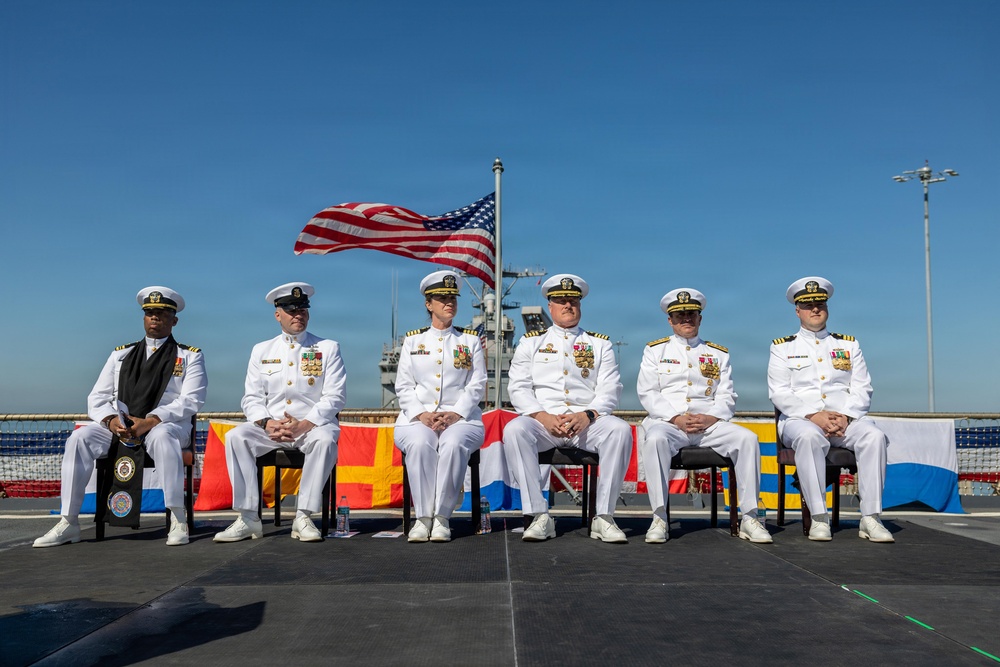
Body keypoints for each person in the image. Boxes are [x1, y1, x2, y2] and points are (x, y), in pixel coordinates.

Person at [34, 287, 207, 547]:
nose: (155, 318)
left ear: (175, 320)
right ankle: (68, 522)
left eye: (162, 313)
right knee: (79, 438)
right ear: (143, 317)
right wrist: (110, 421)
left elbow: (192, 400)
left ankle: (177, 517)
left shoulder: (189, 356)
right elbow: (97, 397)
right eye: (150, 313)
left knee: (163, 437)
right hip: (122, 425)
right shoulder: (121, 354)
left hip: (163, 425)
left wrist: (150, 420)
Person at [503, 274, 633, 543]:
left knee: (620, 430)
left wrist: (588, 415)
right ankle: (538, 515)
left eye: (573, 301)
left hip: (586, 423)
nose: (568, 306)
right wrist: (542, 416)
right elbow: (518, 387)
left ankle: (604, 517)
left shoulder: (600, 344)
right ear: (550, 306)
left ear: (580, 305)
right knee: (515, 429)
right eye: (561, 301)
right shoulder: (531, 342)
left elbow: (611, 389)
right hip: (544, 423)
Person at [214, 282, 346, 543]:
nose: (299, 315)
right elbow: (251, 397)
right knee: (237, 437)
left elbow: (335, 397)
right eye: (292, 311)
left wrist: (305, 424)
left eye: (303, 310)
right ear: (278, 315)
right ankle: (249, 517)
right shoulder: (261, 350)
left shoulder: (327, 348)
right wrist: (266, 423)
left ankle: (303, 515)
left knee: (326, 439)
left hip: (311, 426)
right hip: (272, 428)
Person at [637, 288, 771, 544]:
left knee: (747, 439)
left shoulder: (718, 353)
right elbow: (648, 392)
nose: (686, 319)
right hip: (670, 424)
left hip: (708, 425)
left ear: (700, 318)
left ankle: (751, 517)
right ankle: (659, 516)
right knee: (654, 440)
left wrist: (711, 418)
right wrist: (675, 417)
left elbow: (727, 395)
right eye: (679, 315)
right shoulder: (655, 351)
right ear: (670, 320)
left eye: (691, 314)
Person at [768, 276, 894, 543]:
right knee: (809, 436)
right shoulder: (782, 347)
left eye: (820, 303)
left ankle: (871, 517)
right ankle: (818, 517)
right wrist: (815, 415)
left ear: (827, 307)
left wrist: (846, 417)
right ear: (797, 310)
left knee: (874, 437)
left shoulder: (848, 345)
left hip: (843, 420)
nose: (815, 309)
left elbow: (863, 388)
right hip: (800, 420)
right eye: (808, 304)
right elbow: (780, 393)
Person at [394, 270, 487, 542]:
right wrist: (422, 414)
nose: (449, 302)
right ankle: (423, 518)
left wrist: (456, 413)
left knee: (453, 443)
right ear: (428, 303)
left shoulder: (469, 341)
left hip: (463, 419)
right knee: (420, 444)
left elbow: (477, 383)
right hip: (417, 418)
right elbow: (404, 385)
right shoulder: (413, 341)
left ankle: (442, 517)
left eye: (453, 298)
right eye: (442, 298)